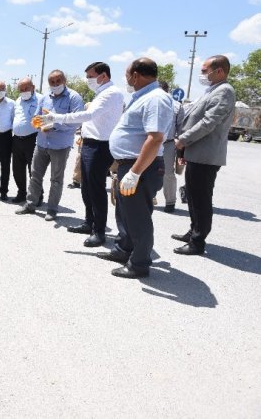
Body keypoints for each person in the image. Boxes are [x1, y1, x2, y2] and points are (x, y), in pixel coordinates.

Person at [34, 62, 124, 247]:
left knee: (96, 189)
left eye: (90, 76)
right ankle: (89, 222)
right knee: (86, 188)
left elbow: (86, 116)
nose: (88, 80)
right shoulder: (101, 93)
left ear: (103, 76)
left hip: (100, 146)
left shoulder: (111, 93)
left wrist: (55, 117)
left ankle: (99, 232)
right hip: (89, 144)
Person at [100, 57, 174, 278]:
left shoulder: (156, 98)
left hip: (141, 167)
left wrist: (135, 172)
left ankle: (139, 264)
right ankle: (124, 250)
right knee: (125, 212)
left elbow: (155, 138)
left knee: (138, 217)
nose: (126, 79)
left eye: (127, 74)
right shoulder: (142, 97)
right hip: (129, 165)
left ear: (136, 75)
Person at [172, 55, 236, 255]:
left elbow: (209, 122)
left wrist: (184, 139)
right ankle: (193, 231)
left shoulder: (224, 91)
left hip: (206, 155)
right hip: (196, 153)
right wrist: (185, 149)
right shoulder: (213, 90)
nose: (202, 74)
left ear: (219, 71)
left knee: (200, 199)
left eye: (204, 70)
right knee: (192, 196)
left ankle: (198, 242)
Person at [16, 70, 84, 221]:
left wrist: (54, 126)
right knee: (35, 176)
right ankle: (30, 204)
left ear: (64, 80)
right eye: (52, 82)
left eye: (58, 81)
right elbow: (36, 116)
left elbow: (77, 121)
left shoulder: (74, 97)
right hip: (41, 143)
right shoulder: (45, 97)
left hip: (60, 146)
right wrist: (38, 125)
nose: (55, 84)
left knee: (56, 179)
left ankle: (52, 209)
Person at [10, 77, 42, 204]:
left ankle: (37, 195)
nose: (24, 91)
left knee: (34, 170)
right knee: (17, 169)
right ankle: (21, 193)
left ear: (33, 87)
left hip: (33, 138)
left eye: (26, 88)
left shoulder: (41, 99)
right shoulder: (18, 100)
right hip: (17, 139)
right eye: (21, 89)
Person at [159, 80, 185, 213]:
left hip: (167, 144)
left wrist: (181, 153)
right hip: (147, 143)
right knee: (144, 171)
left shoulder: (177, 106)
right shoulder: (146, 102)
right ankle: (147, 198)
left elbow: (181, 129)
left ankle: (170, 202)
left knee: (168, 174)